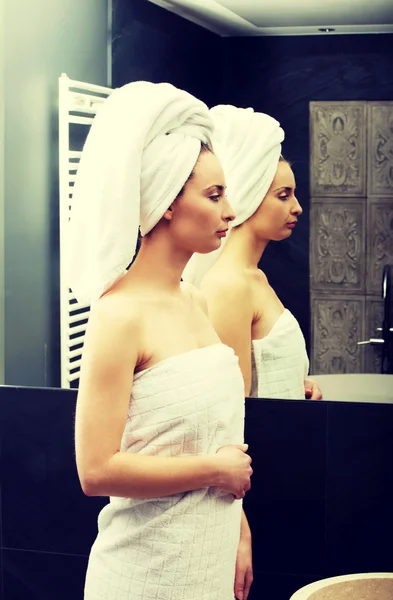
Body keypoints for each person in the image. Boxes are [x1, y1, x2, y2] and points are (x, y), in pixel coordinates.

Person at [68, 82, 253, 600]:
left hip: (206, 563)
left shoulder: (195, 301)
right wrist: (215, 472)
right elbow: (96, 469)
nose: (230, 211)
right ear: (168, 202)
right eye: (214, 195)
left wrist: (238, 528)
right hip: (144, 577)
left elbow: (214, 434)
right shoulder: (118, 314)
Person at [183, 105, 322, 401]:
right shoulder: (229, 286)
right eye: (283, 196)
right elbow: (234, 407)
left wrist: (299, 386)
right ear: (249, 195)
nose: (297, 207)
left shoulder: (253, 276)